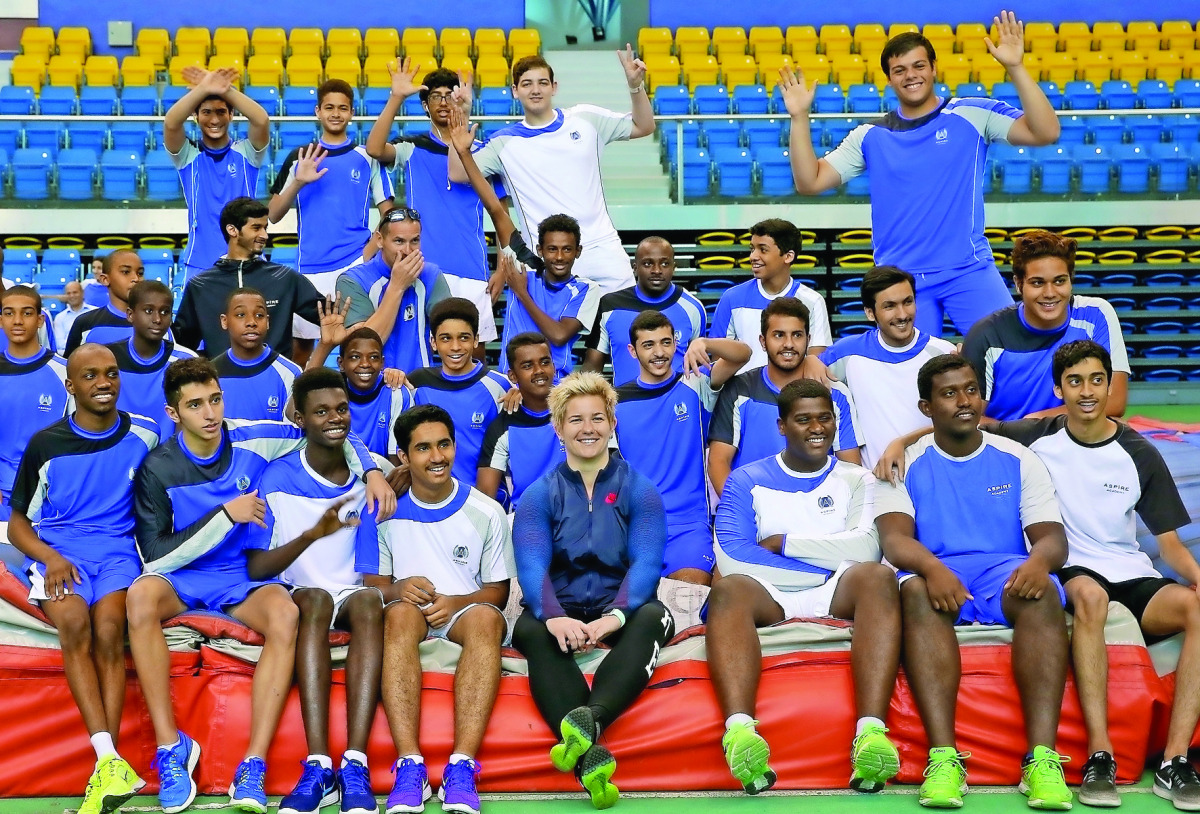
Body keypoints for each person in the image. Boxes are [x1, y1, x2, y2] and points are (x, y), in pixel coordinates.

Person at [127, 358, 394, 814]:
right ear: (174, 414)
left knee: (287, 613)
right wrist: (223, 516)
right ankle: (172, 748)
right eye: (195, 405)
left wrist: (370, 471)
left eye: (215, 400)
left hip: (243, 574)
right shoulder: (157, 468)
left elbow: (332, 434)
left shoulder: (254, 437)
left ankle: (253, 764)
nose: (210, 414)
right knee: (139, 597)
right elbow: (155, 557)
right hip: (184, 573)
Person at [985, 341, 1200, 809]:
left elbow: (1168, 545)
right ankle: (1100, 755)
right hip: (1069, 566)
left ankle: (1175, 760)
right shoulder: (1033, 437)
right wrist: (900, 443)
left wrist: (1196, 576)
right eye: (1075, 381)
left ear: (1109, 385)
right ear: (1059, 387)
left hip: (1129, 568)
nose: (1087, 391)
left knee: (1195, 608)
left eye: (1096, 380)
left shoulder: (1139, 451)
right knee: (1091, 598)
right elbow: (968, 421)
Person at [780, 12, 1061, 338]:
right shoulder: (870, 135)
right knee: (913, 378)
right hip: (901, 281)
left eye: (918, 66)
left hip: (968, 271)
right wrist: (799, 117)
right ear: (889, 79)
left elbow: (1046, 132)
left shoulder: (971, 114)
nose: (910, 76)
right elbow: (809, 181)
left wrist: (1015, 66)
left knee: (1009, 353)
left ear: (933, 69)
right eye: (899, 70)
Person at [874, 354, 1073, 810]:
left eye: (970, 390)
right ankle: (943, 759)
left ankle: (1042, 761)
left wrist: (1039, 562)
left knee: (1043, 595)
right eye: (949, 393)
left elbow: (1051, 539)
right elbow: (894, 539)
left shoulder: (1018, 458)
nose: (964, 401)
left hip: (1002, 571)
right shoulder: (906, 461)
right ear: (926, 408)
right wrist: (932, 568)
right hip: (937, 568)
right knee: (917, 594)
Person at [707, 379, 901, 795]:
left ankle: (870, 734)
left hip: (839, 589)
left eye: (825, 418)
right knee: (727, 589)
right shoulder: (746, 480)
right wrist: (825, 564)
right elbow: (734, 557)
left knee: (879, 578)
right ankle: (740, 733)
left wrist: (784, 543)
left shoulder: (859, 479)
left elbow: (866, 548)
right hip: (772, 594)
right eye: (803, 419)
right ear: (781, 426)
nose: (817, 428)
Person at [7, 344, 159, 814]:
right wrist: (49, 557)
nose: (103, 383)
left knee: (111, 629)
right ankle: (109, 759)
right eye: (90, 376)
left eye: (111, 374)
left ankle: (107, 770)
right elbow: (17, 525)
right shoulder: (45, 444)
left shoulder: (146, 434)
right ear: (71, 387)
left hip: (117, 553)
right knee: (74, 623)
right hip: (61, 552)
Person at [512, 372, 675, 810]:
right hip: (559, 610)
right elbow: (531, 567)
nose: (588, 428)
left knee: (656, 616)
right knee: (529, 629)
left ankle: (591, 719)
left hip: (619, 608)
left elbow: (646, 563)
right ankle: (590, 759)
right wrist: (555, 616)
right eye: (576, 419)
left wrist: (615, 616)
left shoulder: (640, 489)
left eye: (598, 418)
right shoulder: (538, 495)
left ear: (612, 423)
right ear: (558, 427)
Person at [245, 368, 386, 814]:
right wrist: (311, 534)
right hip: (294, 590)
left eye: (341, 409)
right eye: (321, 411)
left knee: (368, 601)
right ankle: (318, 763)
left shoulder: (368, 480)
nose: (334, 418)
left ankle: (356, 763)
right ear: (300, 419)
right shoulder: (275, 478)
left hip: (347, 593)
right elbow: (256, 566)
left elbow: (367, 570)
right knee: (317, 599)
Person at [359, 405, 512, 814]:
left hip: (464, 612)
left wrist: (456, 603)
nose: (437, 456)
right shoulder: (381, 513)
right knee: (398, 613)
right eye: (423, 448)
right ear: (404, 458)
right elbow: (372, 587)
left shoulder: (486, 511)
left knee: (485, 618)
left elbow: (497, 591)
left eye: (443, 444)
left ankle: (461, 768)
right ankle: (410, 766)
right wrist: (397, 588)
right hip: (409, 616)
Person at [448, 49, 656, 294]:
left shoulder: (585, 119)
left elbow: (644, 125)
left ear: (554, 87)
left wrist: (635, 87)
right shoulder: (502, 143)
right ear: (515, 91)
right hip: (548, 261)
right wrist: (461, 115)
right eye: (527, 84)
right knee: (555, 333)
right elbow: (457, 173)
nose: (535, 90)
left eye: (542, 83)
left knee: (625, 328)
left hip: (603, 251)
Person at [366, 62, 505, 350]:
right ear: (425, 106)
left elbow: (502, 214)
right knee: (423, 352)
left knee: (473, 354)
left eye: (450, 95)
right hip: (422, 270)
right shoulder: (412, 147)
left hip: (471, 268)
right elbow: (375, 149)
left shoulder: (484, 151)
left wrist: (503, 269)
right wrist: (396, 97)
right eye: (435, 96)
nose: (443, 102)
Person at [615, 311, 750, 584]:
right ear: (632, 351)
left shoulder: (695, 382)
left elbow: (743, 354)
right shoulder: (614, 400)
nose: (659, 352)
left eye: (666, 342)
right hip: (635, 526)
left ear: (676, 344)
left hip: (689, 525)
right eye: (648, 345)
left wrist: (705, 344)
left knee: (690, 593)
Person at [269, 78, 395, 365]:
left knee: (358, 344)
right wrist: (298, 182)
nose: (336, 113)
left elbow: (388, 213)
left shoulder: (367, 157)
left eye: (342, 108)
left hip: (354, 265)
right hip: (310, 267)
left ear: (352, 112)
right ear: (318, 111)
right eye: (329, 107)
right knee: (302, 348)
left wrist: (368, 252)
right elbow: (274, 214)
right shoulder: (300, 157)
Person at [963, 229, 1128, 421]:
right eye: (1037, 283)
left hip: (1070, 436)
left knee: (1116, 426)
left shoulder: (1096, 314)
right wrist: (1021, 435)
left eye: (1059, 281)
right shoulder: (985, 334)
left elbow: (1114, 401)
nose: (1050, 293)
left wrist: (1038, 421)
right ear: (1018, 283)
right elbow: (969, 418)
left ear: (1070, 280)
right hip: (1008, 441)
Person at [709, 298, 862, 496]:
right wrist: (739, 509)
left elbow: (850, 469)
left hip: (820, 514)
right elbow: (718, 462)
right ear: (763, 341)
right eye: (779, 335)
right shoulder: (738, 389)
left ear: (808, 338)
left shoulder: (835, 393)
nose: (788, 344)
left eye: (797, 335)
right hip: (753, 510)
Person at [820, 266, 955, 469]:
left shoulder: (943, 353)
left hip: (935, 479)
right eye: (890, 306)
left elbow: (957, 423)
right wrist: (811, 361)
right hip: (875, 488)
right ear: (869, 313)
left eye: (908, 302)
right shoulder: (845, 354)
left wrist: (903, 443)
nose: (902, 314)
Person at [173, 197, 325, 359]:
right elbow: (182, 344)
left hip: (274, 380)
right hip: (221, 381)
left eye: (265, 228)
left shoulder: (284, 278)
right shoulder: (201, 285)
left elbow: (331, 317)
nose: (264, 235)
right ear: (232, 230)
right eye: (256, 228)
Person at [164, 66, 270, 282]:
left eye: (221, 111)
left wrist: (225, 89)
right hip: (201, 262)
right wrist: (203, 88)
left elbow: (261, 120)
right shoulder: (187, 156)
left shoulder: (247, 153)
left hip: (248, 260)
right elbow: (171, 122)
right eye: (206, 112)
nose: (214, 120)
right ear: (195, 116)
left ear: (231, 114)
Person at [408, 298, 513, 486]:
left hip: (485, 500)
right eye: (446, 338)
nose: (455, 347)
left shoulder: (500, 385)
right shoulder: (416, 383)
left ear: (476, 340)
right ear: (433, 342)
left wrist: (523, 397)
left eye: (464, 337)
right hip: (433, 500)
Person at [335, 208, 452, 374]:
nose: (408, 250)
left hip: (419, 384)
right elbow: (363, 348)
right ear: (380, 240)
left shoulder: (431, 274)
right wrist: (397, 286)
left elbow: (451, 333)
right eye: (399, 241)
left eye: (415, 241)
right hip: (373, 385)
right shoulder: (352, 280)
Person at [708, 218, 831, 372]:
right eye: (752, 249)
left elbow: (816, 363)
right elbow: (717, 363)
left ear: (788, 256)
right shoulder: (731, 298)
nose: (753, 256)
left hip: (793, 393)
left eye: (763, 249)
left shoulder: (813, 301)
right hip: (742, 394)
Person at [583, 236, 707, 386]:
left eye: (664, 264)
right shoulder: (610, 306)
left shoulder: (693, 308)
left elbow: (699, 369)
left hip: (676, 407)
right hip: (624, 405)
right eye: (648, 263)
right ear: (635, 267)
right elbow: (591, 369)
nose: (656, 270)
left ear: (674, 267)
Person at [497, 215, 601, 382]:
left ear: (578, 251)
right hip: (509, 383)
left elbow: (559, 335)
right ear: (540, 250)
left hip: (554, 387)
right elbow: (496, 212)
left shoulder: (586, 288)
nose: (559, 257)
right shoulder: (522, 270)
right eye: (552, 249)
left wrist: (522, 294)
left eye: (567, 249)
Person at [0, 285, 69, 530]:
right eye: (9, 313)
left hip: (53, 497)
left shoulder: (65, 372)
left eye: (27, 313)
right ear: (0, 320)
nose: (17, 321)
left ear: (40, 320)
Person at [477, 332, 564, 511]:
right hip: (527, 522)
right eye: (527, 365)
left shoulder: (576, 412)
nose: (539, 370)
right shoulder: (502, 428)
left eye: (545, 362)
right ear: (513, 376)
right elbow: (486, 498)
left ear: (554, 366)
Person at [107, 280, 197, 442]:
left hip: (169, 458)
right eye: (148, 311)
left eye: (165, 312)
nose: (157, 319)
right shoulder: (108, 358)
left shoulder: (187, 361)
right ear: (130, 314)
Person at [211, 288, 302, 422]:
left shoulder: (290, 373)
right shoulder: (209, 373)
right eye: (241, 315)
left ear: (268, 321)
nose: (252, 322)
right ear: (224, 321)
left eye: (259, 315)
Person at [65, 249, 145, 356]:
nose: (135, 278)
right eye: (126, 272)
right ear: (105, 279)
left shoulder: (157, 322)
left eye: (140, 273)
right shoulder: (85, 324)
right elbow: (70, 369)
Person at [52, 281, 95, 350]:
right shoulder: (60, 318)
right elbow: (59, 343)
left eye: (75, 292)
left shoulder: (94, 312)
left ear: (82, 293)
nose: (72, 296)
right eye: (68, 293)